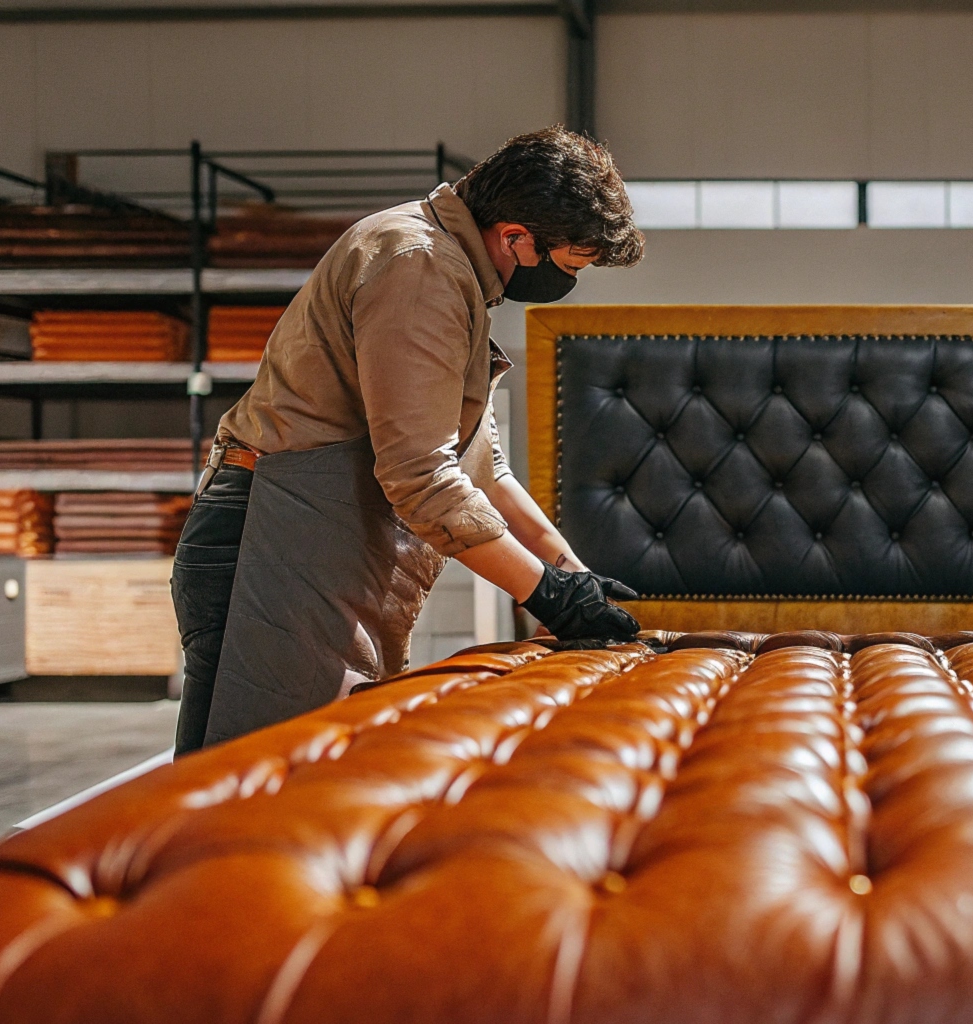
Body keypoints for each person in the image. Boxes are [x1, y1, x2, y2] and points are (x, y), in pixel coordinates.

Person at [171, 127, 644, 756]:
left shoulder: (452, 268)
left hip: (304, 534)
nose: (566, 283)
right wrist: (543, 594)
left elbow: (482, 470)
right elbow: (421, 475)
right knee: (253, 788)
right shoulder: (418, 265)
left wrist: (571, 575)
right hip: (269, 536)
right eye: (569, 267)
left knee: (282, 781)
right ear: (515, 237)